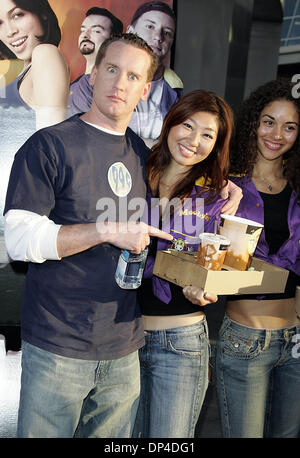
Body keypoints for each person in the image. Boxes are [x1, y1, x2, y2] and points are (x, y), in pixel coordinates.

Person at [3, 33, 175, 439]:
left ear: (145, 89)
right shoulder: (48, 145)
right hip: (58, 346)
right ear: (94, 73)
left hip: (124, 347)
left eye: (133, 76)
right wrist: (104, 231)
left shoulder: (142, 154)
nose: (119, 83)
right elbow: (20, 240)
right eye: (112, 69)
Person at [132, 89, 236, 438]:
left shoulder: (216, 197)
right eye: (187, 125)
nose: (194, 140)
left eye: (208, 134)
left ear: (217, 144)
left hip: (181, 342)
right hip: (122, 340)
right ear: (171, 121)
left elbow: (219, 266)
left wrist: (207, 288)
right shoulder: (132, 173)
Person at [214, 79, 300, 438]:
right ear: (253, 122)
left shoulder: (298, 187)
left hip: (295, 343)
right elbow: (215, 262)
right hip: (244, 340)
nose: (277, 134)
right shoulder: (226, 182)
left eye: (290, 126)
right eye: (269, 121)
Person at [127, 1, 183, 147]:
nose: (158, 37)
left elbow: (171, 147)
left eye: (167, 33)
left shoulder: (175, 92)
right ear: (130, 31)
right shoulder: (99, 80)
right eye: (150, 26)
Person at [68, 7, 123, 117]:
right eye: (83, 30)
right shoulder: (77, 84)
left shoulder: (115, 84)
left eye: (96, 31)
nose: (85, 35)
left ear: (114, 40)